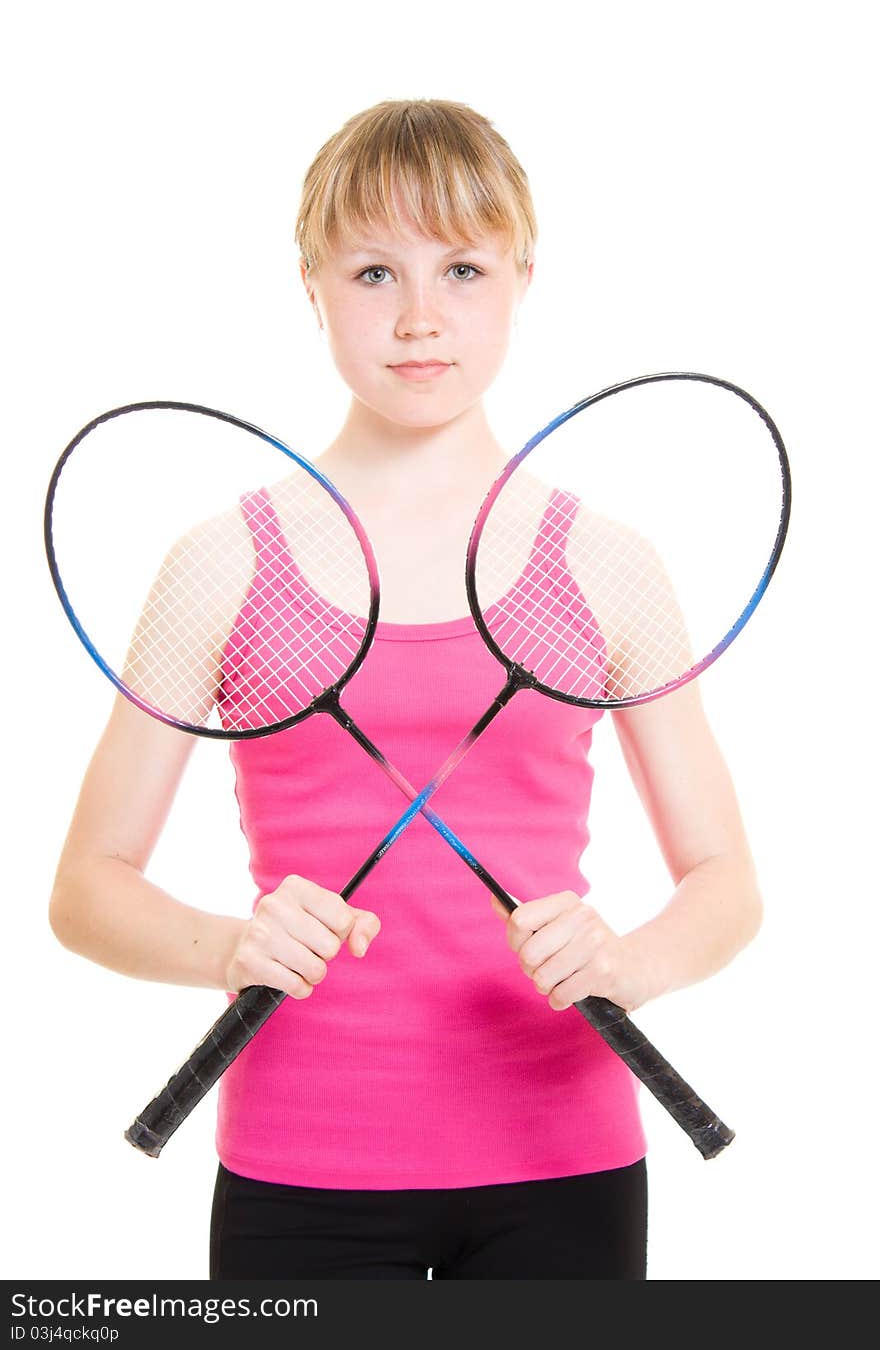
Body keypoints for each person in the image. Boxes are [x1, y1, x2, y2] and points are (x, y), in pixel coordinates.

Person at [49, 98, 762, 1280]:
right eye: (375, 270)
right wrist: (231, 943)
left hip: (566, 1159)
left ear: (524, 279)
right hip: (300, 1167)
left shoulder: (604, 561)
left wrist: (627, 962)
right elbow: (84, 890)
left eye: (464, 268)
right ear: (311, 283)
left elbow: (728, 881)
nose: (422, 317)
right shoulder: (223, 562)